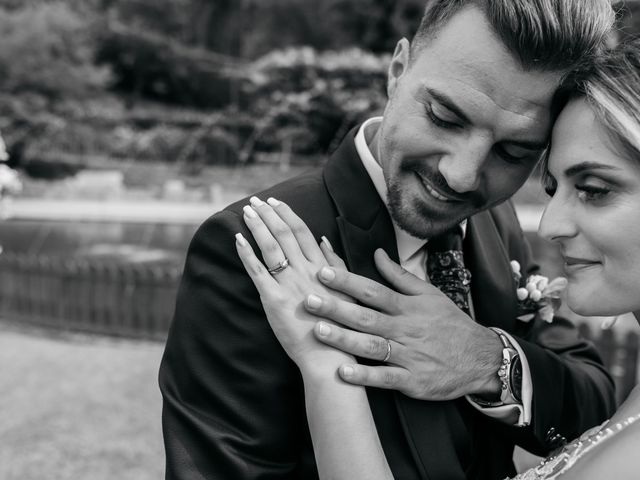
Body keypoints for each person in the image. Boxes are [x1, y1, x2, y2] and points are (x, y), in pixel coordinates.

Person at [158, 1, 617, 479]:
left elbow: (596, 408)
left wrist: (488, 361)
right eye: (445, 117)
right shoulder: (255, 247)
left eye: (513, 152)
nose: (461, 176)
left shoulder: (496, 220)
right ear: (398, 70)